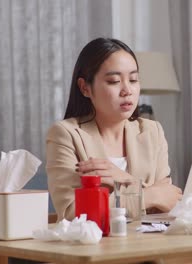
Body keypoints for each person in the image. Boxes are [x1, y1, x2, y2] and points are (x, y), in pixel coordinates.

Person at [46, 37, 182, 221]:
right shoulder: (65, 134)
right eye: (113, 81)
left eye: (133, 79)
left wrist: (124, 180)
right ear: (85, 87)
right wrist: (150, 196)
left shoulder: (152, 131)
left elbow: (169, 202)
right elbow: (73, 213)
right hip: (97, 247)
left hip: (151, 245)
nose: (127, 90)